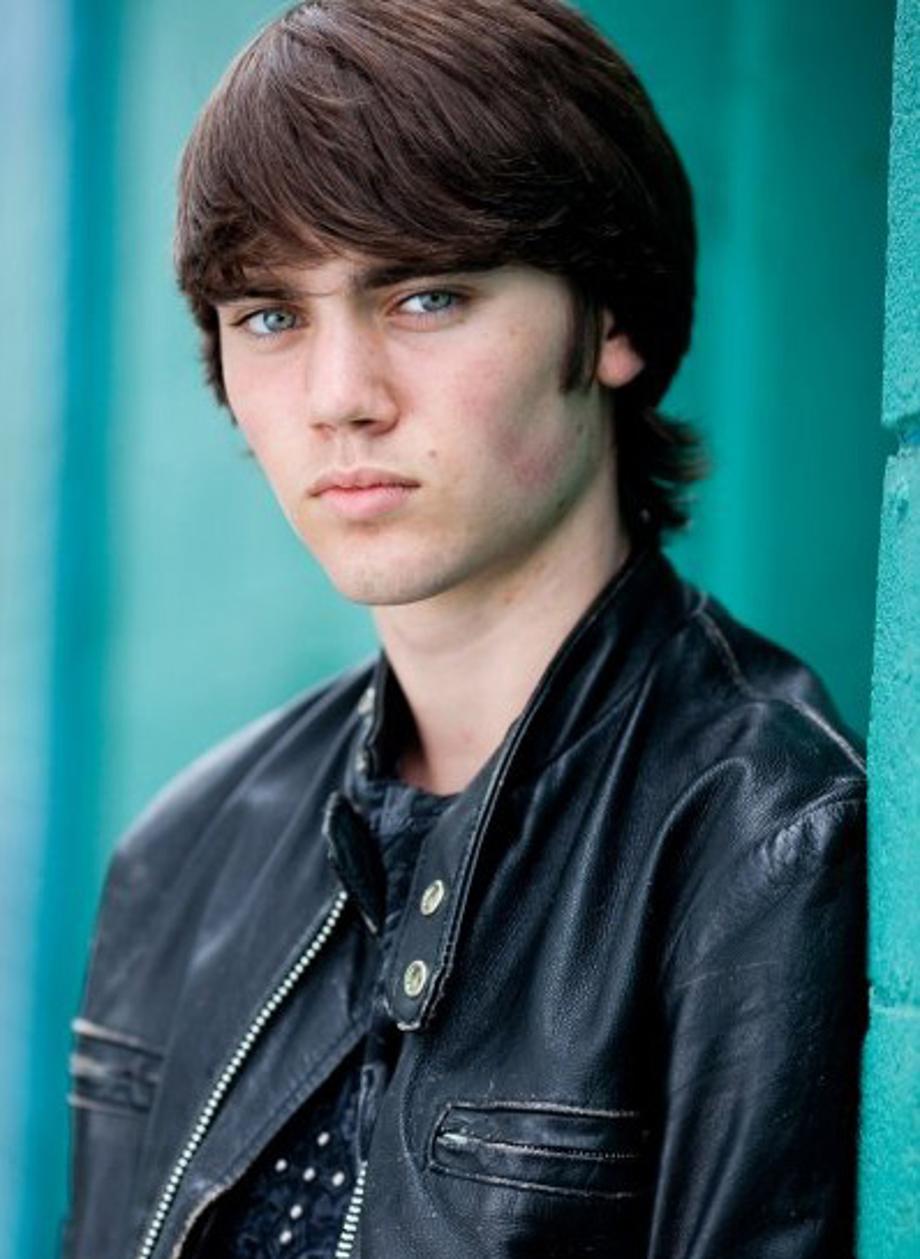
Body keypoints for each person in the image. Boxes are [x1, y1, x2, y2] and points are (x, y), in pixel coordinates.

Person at [63, 2, 867, 1257]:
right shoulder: (184, 853)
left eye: (426, 296)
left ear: (611, 319)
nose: (340, 398)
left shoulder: (762, 832)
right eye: (270, 315)